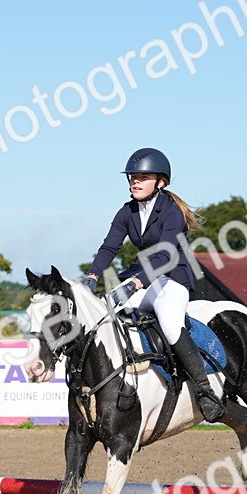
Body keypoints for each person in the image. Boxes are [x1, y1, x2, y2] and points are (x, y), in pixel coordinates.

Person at [83, 147, 224, 422]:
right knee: (103, 313)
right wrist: (92, 277)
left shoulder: (171, 211)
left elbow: (167, 255)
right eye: (132, 176)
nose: (135, 181)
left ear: (161, 181)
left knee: (171, 325)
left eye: (143, 177)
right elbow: (109, 247)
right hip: (143, 276)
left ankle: (205, 391)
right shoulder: (127, 211)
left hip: (173, 276)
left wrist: (135, 283)